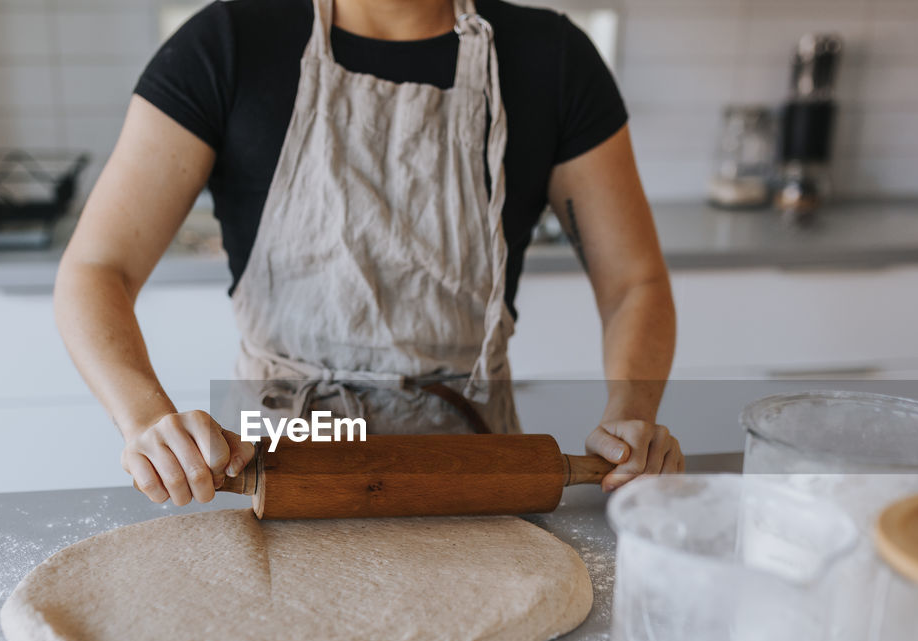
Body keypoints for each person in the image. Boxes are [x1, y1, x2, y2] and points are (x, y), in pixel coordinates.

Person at [54, 0, 682, 508]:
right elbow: (97, 269)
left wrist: (631, 416)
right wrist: (144, 418)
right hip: (277, 463)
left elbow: (634, 281)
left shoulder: (552, 58)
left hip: (470, 474)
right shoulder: (226, 46)